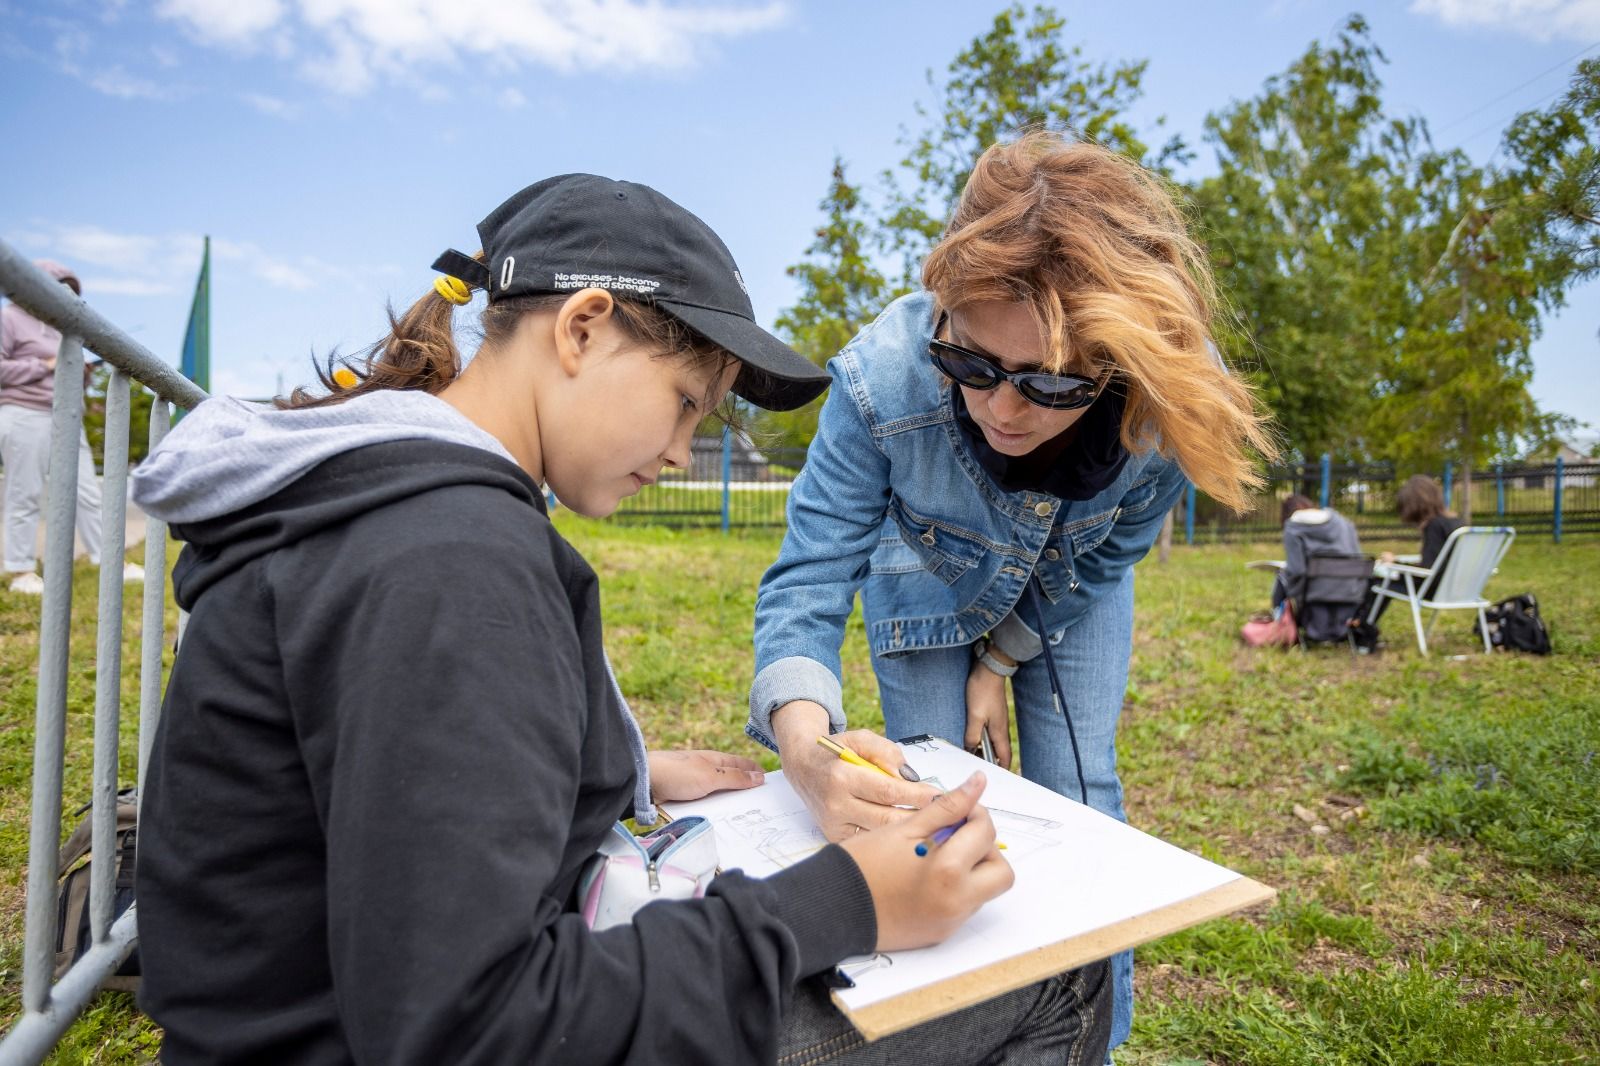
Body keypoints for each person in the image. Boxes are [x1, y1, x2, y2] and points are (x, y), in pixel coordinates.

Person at [129, 175, 1110, 1065]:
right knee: (1058, 969)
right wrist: (843, 903)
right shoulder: (446, 558)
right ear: (583, 327)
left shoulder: (402, 515)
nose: (683, 452)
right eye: (686, 402)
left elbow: (391, 794)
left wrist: (599, 777)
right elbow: (467, 1026)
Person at [747, 132, 1275, 1055]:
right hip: (925, 586)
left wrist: (1002, 657)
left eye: (1048, 382)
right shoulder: (877, 382)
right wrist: (806, 748)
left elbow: (1106, 562)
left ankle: (1087, 1043)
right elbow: (810, 577)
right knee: (934, 804)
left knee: (1083, 793)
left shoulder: (1169, 405)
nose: (1002, 409)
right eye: (973, 366)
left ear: (1116, 364)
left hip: (1069, 595)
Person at [0, 259, 143, 594]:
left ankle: (110, 562)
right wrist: (45, 365)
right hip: (24, 412)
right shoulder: (9, 318)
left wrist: (80, 372)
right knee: (25, 492)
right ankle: (19, 572)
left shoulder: (65, 331)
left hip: (68, 417)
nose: (65, 296)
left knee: (89, 494)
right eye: (59, 288)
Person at [1366, 474, 1464, 622]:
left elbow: (1426, 570)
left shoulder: (1434, 526)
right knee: (1385, 578)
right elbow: (1438, 560)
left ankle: (1360, 627)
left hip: (1434, 590)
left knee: (1377, 582)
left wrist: (1394, 565)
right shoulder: (1456, 522)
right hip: (1457, 588)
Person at [1270, 493, 1361, 617]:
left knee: (1282, 576)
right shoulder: (1345, 523)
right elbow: (1358, 561)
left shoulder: (1292, 528)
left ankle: (1278, 621)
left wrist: (1296, 598)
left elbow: (1297, 571)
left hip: (1314, 603)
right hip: (1350, 598)